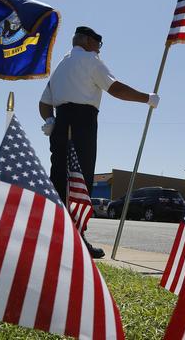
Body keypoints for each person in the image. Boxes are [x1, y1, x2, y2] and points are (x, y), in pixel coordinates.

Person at [39, 26, 160, 258]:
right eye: (98, 43)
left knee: (59, 178)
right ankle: (76, 239)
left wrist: (50, 119)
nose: (99, 48)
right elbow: (115, 88)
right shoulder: (90, 60)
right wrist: (147, 98)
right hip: (82, 124)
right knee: (80, 180)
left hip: (61, 125)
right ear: (86, 40)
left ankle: (56, 234)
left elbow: (44, 102)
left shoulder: (61, 66)